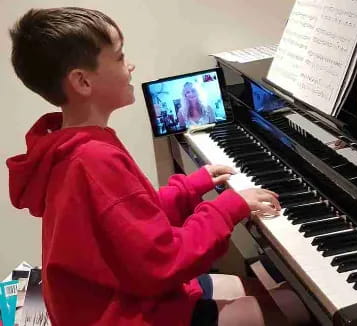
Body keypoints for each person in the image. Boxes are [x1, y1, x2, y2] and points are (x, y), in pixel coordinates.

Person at [6, 7, 285, 326]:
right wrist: (228, 208)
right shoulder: (92, 159)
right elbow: (163, 263)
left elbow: (129, 218)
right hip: (118, 312)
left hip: (106, 298)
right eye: (120, 57)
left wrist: (190, 186)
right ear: (82, 81)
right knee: (277, 309)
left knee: (255, 292)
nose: (131, 65)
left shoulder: (68, 144)